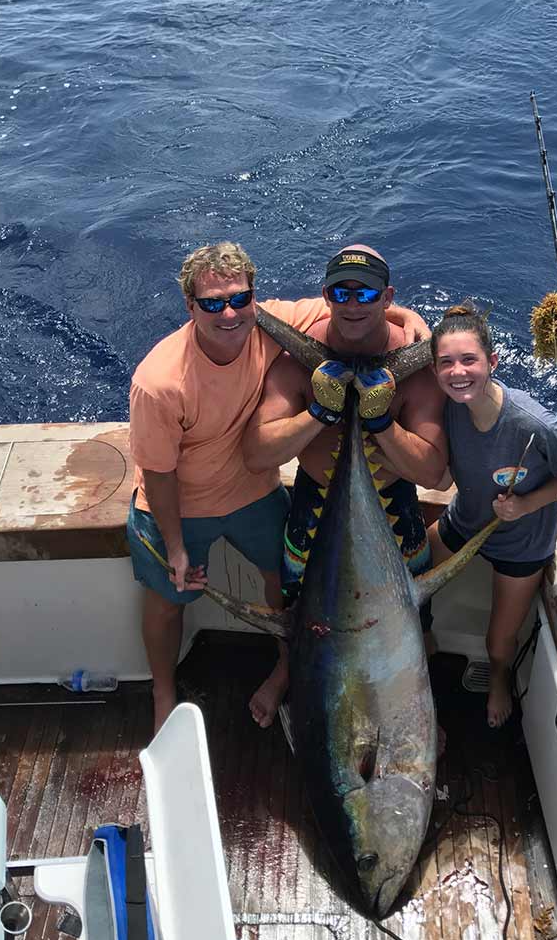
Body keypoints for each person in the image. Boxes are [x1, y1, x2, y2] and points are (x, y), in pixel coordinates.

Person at [127, 241, 429, 734]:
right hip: (183, 504)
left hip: (254, 494)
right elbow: (157, 472)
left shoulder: (267, 323)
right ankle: (162, 689)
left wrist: (408, 317)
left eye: (239, 299)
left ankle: (287, 667)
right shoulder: (159, 381)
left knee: (285, 590)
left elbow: (350, 306)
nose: (228, 312)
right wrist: (176, 546)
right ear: (190, 306)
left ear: (254, 298)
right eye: (211, 303)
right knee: (167, 600)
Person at [243, 244, 448, 724]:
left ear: (387, 296)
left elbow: (433, 472)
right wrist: (318, 413)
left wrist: (381, 424)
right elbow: (257, 454)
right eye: (341, 292)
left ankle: (422, 697)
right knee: (301, 617)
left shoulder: (414, 368)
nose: (353, 303)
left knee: (416, 617)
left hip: (394, 509)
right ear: (326, 295)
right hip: (315, 508)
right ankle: (287, 669)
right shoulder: (296, 360)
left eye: (367, 293)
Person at [427, 302, 557, 728]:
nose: (458, 372)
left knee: (498, 640)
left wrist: (527, 504)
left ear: (493, 362)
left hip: (521, 545)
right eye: (446, 363)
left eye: (469, 360)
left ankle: (500, 681)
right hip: (465, 522)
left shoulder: (530, 422)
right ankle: (425, 636)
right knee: (408, 576)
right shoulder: (449, 403)